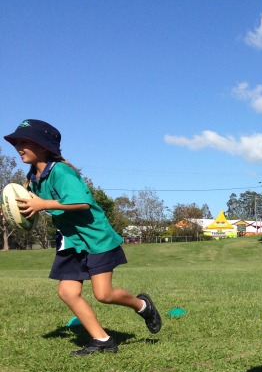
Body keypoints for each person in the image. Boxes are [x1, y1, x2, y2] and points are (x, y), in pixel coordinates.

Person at [4, 119, 162, 356]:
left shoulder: (61, 172)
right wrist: (10, 211)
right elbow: (29, 207)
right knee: (67, 292)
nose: (18, 147)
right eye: (16, 142)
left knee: (104, 295)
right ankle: (102, 340)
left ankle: (143, 305)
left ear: (43, 145)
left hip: (95, 238)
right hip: (71, 241)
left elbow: (82, 202)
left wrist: (43, 204)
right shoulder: (33, 178)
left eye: (24, 142)